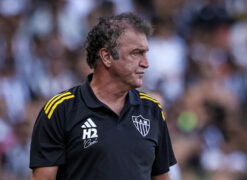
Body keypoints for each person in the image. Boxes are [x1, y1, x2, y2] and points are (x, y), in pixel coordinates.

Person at [29, 12, 176, 180]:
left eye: (145, 53)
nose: (146, 63)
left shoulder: (152, 109)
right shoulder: (60, 110)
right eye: (136, 53)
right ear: (107, 57)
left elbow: (161, 177)